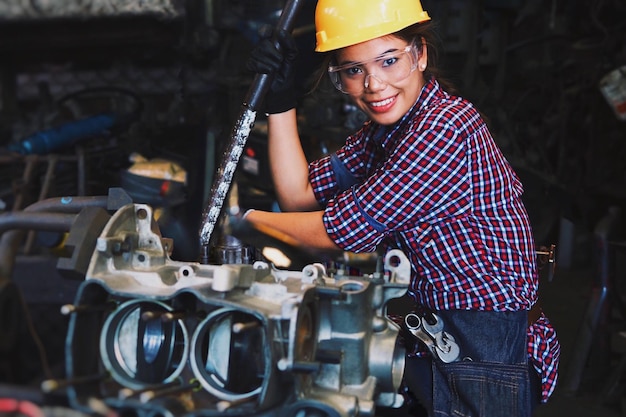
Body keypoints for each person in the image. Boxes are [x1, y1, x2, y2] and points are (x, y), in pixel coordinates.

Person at [244, 0, 560, 415]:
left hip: (491, 350)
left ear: (421, 53)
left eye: (389, 61)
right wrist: (281, 103)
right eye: (354, 70)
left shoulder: (445, 128)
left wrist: (244, 222)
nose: (374, 84)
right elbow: (301, 195)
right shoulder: (385, 132)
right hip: (442, 333)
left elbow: (342, 231)